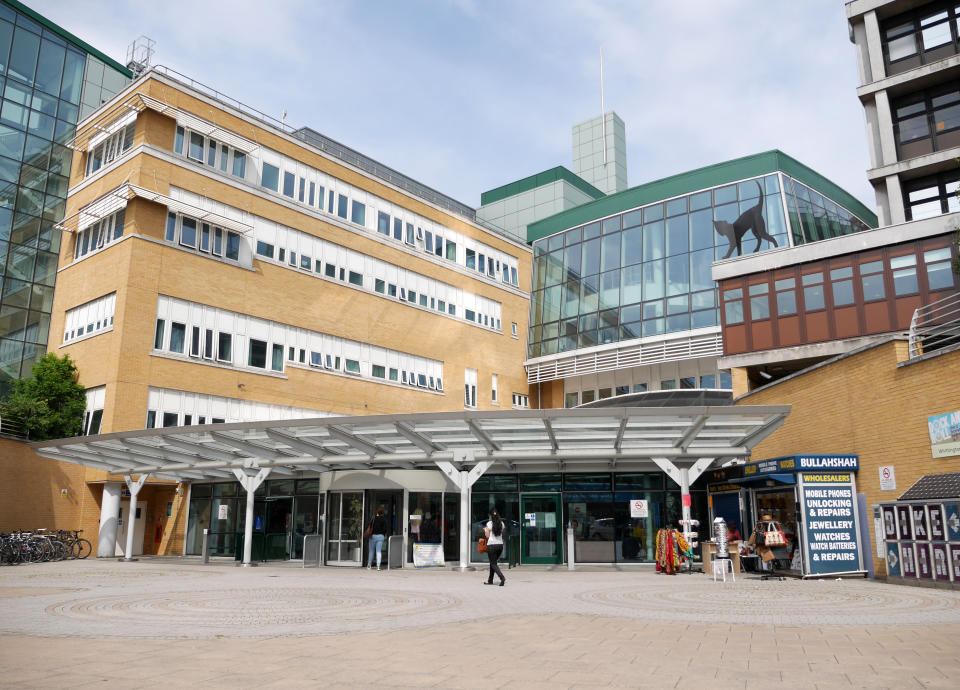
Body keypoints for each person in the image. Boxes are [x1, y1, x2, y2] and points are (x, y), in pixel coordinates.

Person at [483, 510, 506, 586]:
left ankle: (502, 577)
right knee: (493, 563)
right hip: (500, 546)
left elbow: (487, 536)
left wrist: (485, 530)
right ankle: (490, 580)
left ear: (491, 516)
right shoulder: (502, 524)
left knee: (493, 563)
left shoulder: (489, 524)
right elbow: (502, 534)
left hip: (492, 545)